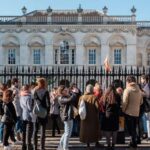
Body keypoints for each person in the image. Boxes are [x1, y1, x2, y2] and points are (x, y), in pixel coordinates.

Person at [122, 76, 143, 148]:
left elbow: (124, 102)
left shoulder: (127, 90)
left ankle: (133, 142)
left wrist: (123, 110)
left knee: (130, 129)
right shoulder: (139, 90)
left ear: (128, 82)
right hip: (136, 112)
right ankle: (133, 142)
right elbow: (141, 102)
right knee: (134, 127)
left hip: (128, 112)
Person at [79, 84, 100, 149]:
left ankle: (88, 145)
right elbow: (98, 107)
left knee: (86, 130)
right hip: (93, 117)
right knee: (95, 130)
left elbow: (79, 107)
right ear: (92, 90)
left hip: (84, 118)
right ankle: (96, 143)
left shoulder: (81, 97)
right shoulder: (94, 97)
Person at [33, 78, 50, 150]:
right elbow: (48, 103)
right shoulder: (46, 91)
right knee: (43, 131)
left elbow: (33, 101)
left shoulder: (35, 91)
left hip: (36, 112)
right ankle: (42, 147)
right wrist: (48, 112)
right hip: (44, 112)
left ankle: (35, 147)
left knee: (35, 130)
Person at [101, 85, 120, 150]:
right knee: (114, 130)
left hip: (107, 115)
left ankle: (108, 145)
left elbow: (103, 106)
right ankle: (113, 145)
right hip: (115, 115)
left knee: (107, 131)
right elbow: (120, 105)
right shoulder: (117, 96)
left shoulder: (105, 96)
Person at [57, 85, 75, 150]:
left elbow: (73, 99)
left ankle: (61, 146)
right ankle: (65, 148)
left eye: (66, 90)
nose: (66, 91)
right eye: (65, 90)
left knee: (66, 133)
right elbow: (70, 99)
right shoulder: (61, 98)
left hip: (68, 116)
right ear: (61, 91)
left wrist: (70, 93)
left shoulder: (65, 96)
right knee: (67, 134)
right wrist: (73, 93)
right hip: (66, 116)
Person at [20, 85, 33, 150]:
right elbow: (30, 107)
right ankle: (29, 145)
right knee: (29, 131)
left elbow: (21, 106)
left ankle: (23, 145)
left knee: (24, 131)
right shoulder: (29, 97)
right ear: (28, 89)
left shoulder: (21, 96)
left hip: (23, 114)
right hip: (29, 115)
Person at [140, 75, 150, 140]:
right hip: (146, 106)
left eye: (141, 79)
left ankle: (148, 135)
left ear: (144, 79)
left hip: (147, 106)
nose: (141, 80)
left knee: (147, 121)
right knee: (145, 121)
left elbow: (147, 95)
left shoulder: (147, 86)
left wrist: (141, 92)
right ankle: (146, 134)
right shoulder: (145, 86)